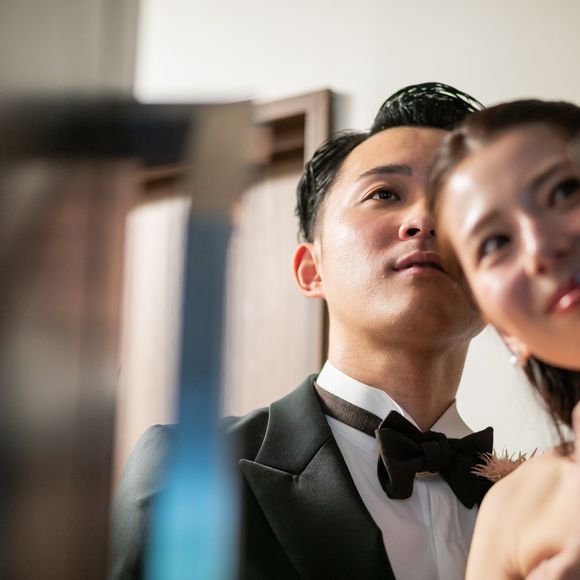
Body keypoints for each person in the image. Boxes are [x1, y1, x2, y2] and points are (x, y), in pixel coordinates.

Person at [111, 83, 493, 580]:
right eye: (384, 194)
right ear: (312, 270)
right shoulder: (186, 470)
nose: (425, 219)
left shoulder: (550, 499)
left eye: (452, 200)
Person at [427, 99, 580, 579]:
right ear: (506, 333)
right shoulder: (511, 513)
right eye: (495, 243)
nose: (540, 248)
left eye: (565, 191)